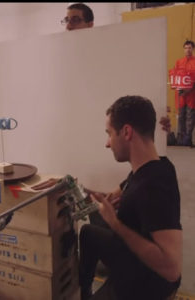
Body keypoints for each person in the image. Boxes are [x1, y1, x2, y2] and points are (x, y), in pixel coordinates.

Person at [79, 96, 182, 300]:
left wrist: (115, 223)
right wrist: (83, 192)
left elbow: (171, 269)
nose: (107, 144)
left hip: (145, 288)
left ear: (126, 132)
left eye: (109, 134)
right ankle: (84, 293)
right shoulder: (152, 166)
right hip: (134, 263)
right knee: (88, 233)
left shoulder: (153, 187)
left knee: (99, 225)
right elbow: (113, 194)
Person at [174, 40, 195, 146]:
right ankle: (180, 139)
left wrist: (190, 89)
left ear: (193, 49)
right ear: (184, 49)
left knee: (190, 117)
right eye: (186, 48)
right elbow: (175, 77)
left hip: (192, 94)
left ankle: (188, 139)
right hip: (181, 95)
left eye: (190, 48)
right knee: (181, 116)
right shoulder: (179, 62)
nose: (188, 50)